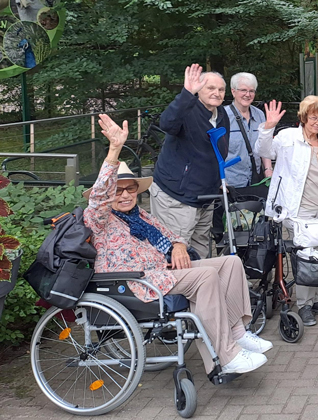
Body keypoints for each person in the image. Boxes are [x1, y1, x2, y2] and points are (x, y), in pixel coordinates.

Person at [85, 115, 271, 376]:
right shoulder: (100, 219)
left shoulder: (140, 215)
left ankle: (238, 333)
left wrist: (179, 246)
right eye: (118, 190)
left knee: (230, 262)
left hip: (162, 273)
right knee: (205, 276)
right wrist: (115, 148)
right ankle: (227, 356)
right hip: (133, 281)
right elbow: (98, 197)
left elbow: (172, 235)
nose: (125, 195)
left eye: (130, 189)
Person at [255, 97, 318, 327]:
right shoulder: (288, 137)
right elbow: (263, 149)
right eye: (313, 118)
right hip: (295, 208)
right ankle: (304, 305)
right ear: (303, 118)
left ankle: (314, 297)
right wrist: (268, 126)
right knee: (306, 253)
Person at [150, 64, 229, 254]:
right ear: (199, 90)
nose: (217, 93)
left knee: (200, 252)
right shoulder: (187, 109)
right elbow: (166, 123)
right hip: (176, 197)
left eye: (221, 89)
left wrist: (218, 181)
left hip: (205, 197)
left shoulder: (221, 114)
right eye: (211, 88)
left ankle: (199, 283)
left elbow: (217, 152)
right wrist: (186, 93)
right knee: (174, 253)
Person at [224, 72, 273, 188]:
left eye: (251, 91)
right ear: (233, 91)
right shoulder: (223, 116)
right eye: (243, 90)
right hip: (230, 183)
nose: (248, 94)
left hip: (256, 180)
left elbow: (265, 145)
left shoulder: (260, 115)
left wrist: (268, 169)